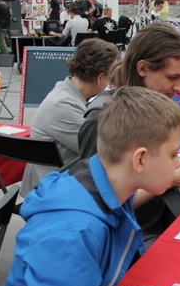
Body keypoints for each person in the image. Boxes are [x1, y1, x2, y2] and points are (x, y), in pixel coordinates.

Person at [0, 86, 180, 286]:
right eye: (173, 154)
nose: (179, 164)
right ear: (140, 160)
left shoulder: (109, 187)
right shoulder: (74, 233)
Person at [78, 22, 180, 245]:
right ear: (143, 69)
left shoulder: (150, 107)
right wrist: (170, 179)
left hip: (157, 223)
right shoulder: (102, 118)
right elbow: (96, 204)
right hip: (131, 239)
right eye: (172, 77)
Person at [20, 39, 119, 197]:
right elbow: (101, 150)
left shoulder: (65, 93)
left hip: (59, 181)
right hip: (55, 190)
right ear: (101, 78)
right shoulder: (62, 106)